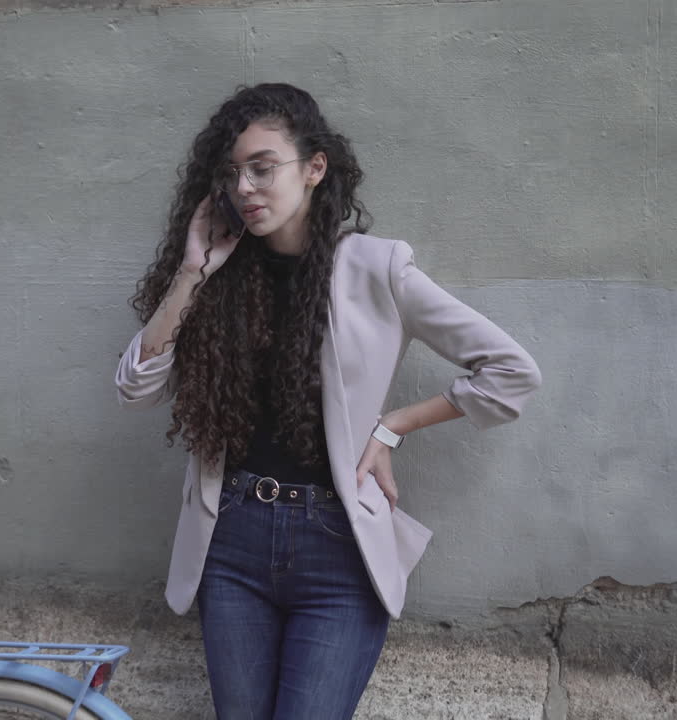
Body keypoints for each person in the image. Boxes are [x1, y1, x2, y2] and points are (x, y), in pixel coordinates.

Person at [114, 83, 541, 719]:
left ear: (314, 169)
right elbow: (136, 387)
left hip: (336, 549)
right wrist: (191, 273)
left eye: (263, 167)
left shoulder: (376, 268)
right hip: (231, 542)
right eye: (232, 175)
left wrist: (394, 426)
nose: (246, 188)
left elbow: (511, 370)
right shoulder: (219, 276)